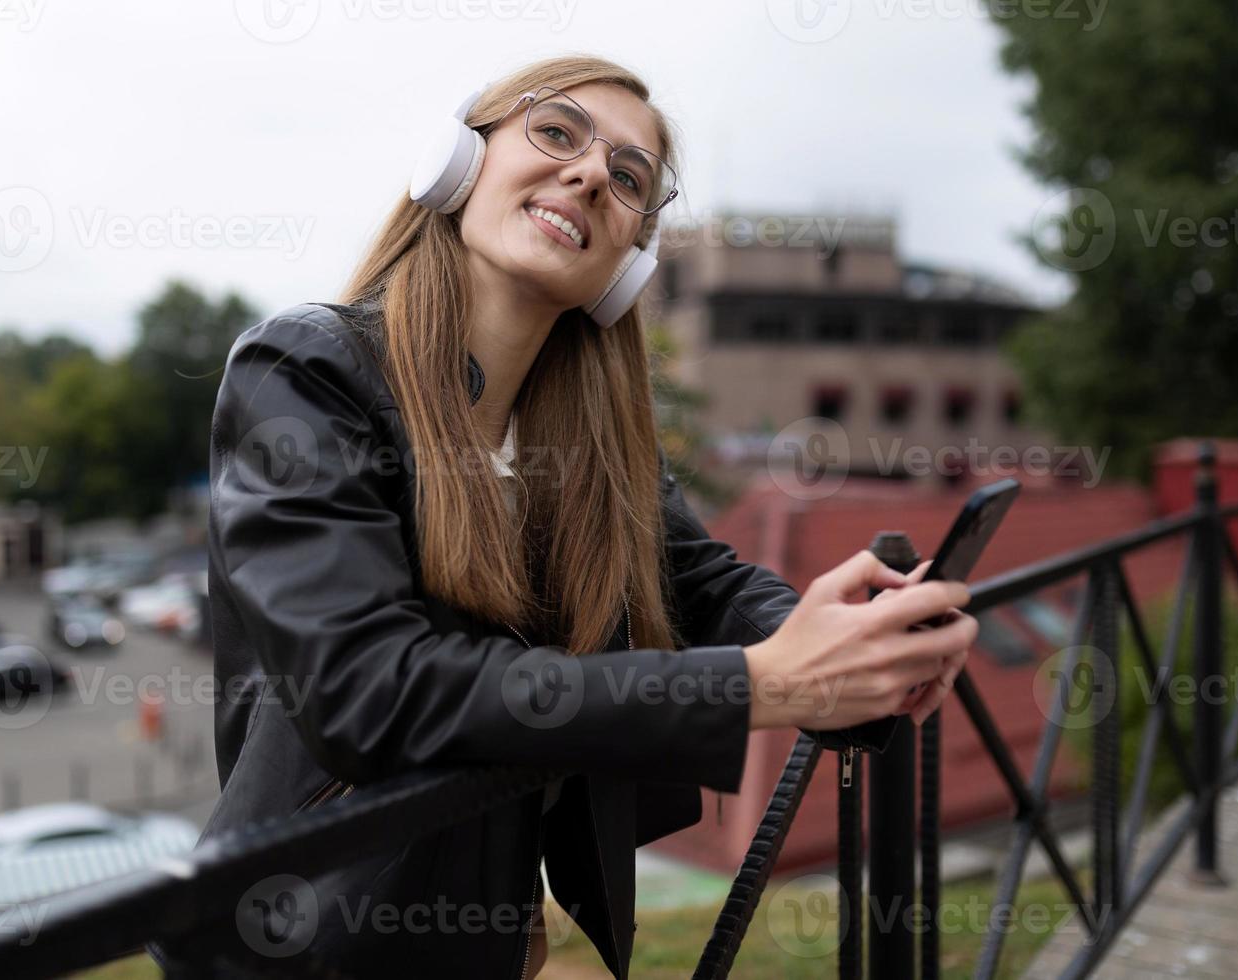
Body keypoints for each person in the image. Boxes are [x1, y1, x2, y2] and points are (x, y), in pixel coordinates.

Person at [148, 53, 976, 979]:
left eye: (630, 178)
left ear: (629, 257)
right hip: (299, 947)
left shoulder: (580, 439)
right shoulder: (307, 373)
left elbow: (702, 581)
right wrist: (762, 685)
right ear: (458, 160)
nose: (589, 174)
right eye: (555, 132)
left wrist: (847, 651)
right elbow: (368, 689)